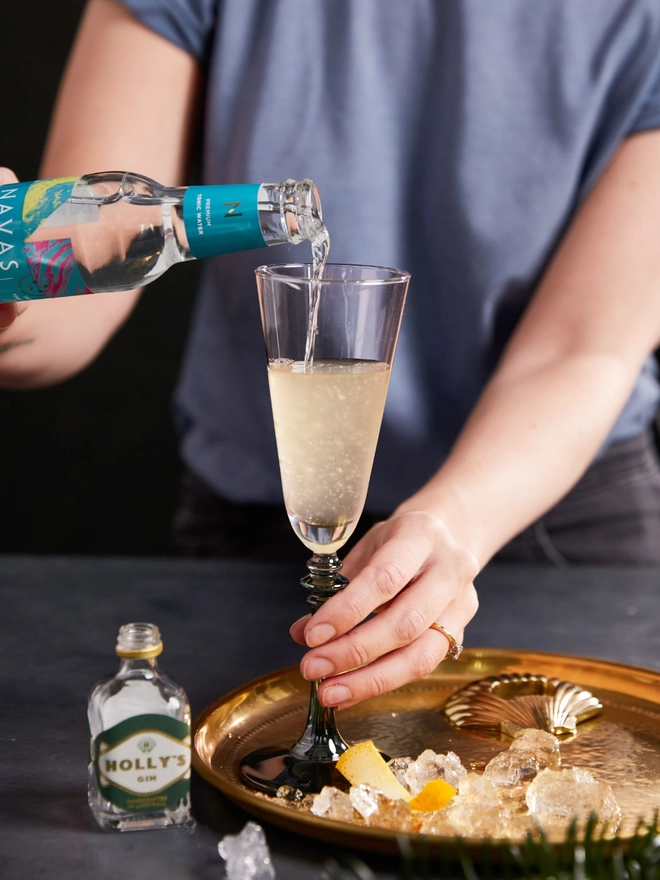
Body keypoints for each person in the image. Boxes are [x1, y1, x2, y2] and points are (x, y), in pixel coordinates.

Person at [3, 0, 660, 712]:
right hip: (258, 524)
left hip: (539, 525)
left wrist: (455, 523)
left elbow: (584, 345)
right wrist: (11, 312)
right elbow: (78, 262)